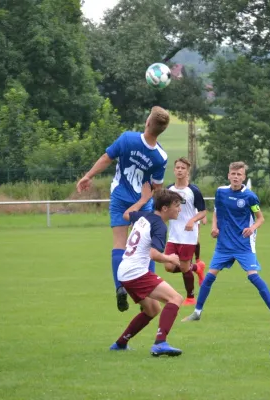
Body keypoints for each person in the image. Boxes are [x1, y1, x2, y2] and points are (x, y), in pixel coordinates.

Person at [76, 106, 170, 313]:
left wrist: (88, 176)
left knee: (119, 244)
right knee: (145, 247)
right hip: (143, 201)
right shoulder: (161, 157)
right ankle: (148, 289)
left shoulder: (127, 138)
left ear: (147, 122)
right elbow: (157, 187)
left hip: (119, 197)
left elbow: (106, 158)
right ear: (161, 130)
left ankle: (120, 287)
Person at [182, 161, 270, 322]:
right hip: (224, 245)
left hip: (243, 244)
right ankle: (197, 313)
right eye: (233, 174)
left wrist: (252, 228)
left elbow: (260, 218)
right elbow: (216, 212)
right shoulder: (221, 192)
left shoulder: (250, 196)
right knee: (209, 278)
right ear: (229, 175)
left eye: (239, 175)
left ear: (243, 177)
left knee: (253, 277)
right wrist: (214, 227)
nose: (236, 177)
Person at [109, 183, 185, 357]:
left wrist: (143, 200)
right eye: (176, 206)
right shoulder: (159, 226)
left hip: (124, 271)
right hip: (136, 272)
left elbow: (127, 214)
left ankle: (120, 343)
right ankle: (160, 343)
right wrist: (170, 258)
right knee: (175, 298)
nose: (179, 210)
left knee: (152, 310)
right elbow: (153, 253)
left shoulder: (144, 216)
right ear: (165, 208)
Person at [164, 157, 207, 305]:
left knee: (183, 267)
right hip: (173, 235)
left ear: (187, 171)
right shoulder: (169, 189)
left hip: (189, 235)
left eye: (183, 168)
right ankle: (197, 267)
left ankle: (190, 297)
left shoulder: (193, 190)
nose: (180, 170)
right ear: (174, 170)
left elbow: (203, 212)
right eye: (178, 168)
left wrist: (192, 220)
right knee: (168, 266)